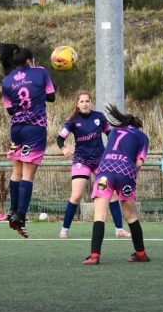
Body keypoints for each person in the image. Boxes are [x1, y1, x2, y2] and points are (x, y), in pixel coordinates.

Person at [0, 43, 55, 238]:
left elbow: (10, 110)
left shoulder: (7, 81)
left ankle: (13, 209)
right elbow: (51, 96)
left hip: (17, 129)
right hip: (35, 128)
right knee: (28, 175)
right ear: (30, 60)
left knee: (17, 171)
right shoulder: (40, 72)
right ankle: (21, 215)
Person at [57, 91, 130, 239]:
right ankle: (65, 230)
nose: (85, 104)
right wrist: (64, 148)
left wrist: (113, 149)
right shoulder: (72, 120)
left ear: (91, 102)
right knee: (76, 196)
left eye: (87, 101)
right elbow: (60, 138)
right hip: (81, 160)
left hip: (99, 160)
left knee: (113, 195)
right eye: (82, 101)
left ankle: (119, 230)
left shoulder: (99, 117)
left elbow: (110, 134)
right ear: (77, 104)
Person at [83, 105, 150, 265]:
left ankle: (94, 256)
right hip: (126, 172)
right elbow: (139, 162)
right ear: (138, 126)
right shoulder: (142, 136)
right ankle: (141, 253)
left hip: (105, 171)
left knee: (99, 216)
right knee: (131, 217)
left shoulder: (114, 132)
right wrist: (131, 174)